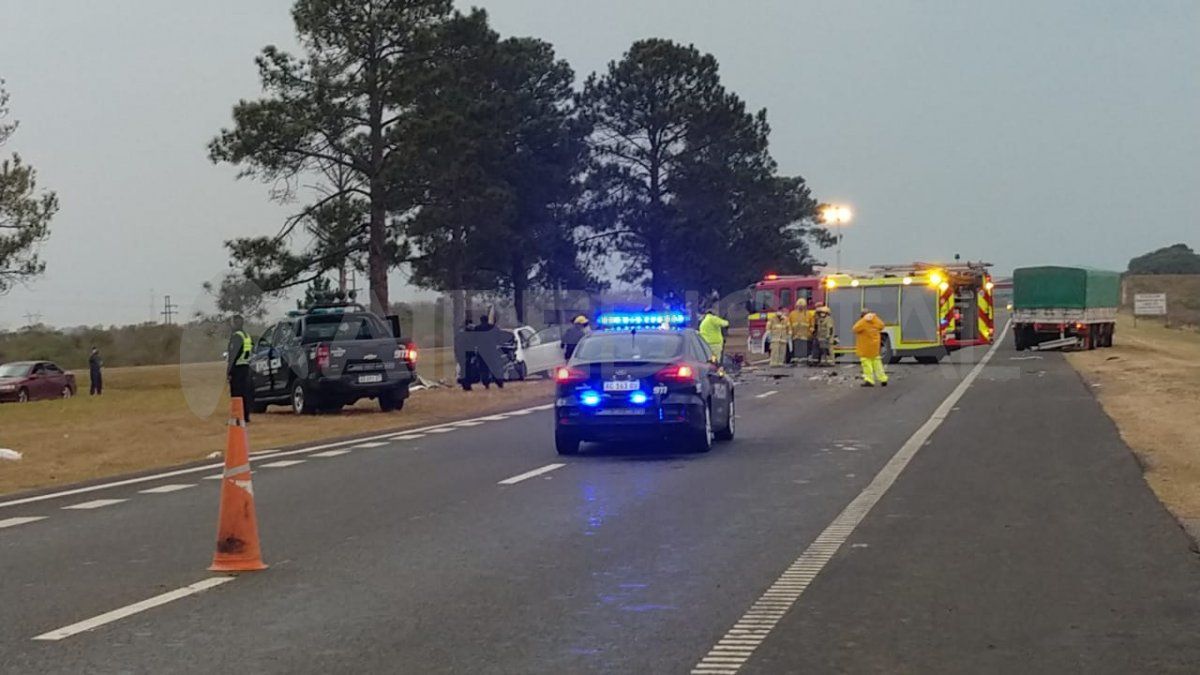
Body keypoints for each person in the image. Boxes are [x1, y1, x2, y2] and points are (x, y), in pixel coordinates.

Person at [226, 315, 255, 422]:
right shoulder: (246, 335)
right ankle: (245, 416)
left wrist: (229, 370)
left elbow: (234, 355)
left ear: (236, 323)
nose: (231, 324)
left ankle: (237, 417)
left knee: (236, 394)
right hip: (246, 367)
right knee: (245, 393)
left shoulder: (236, 336)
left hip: (237, 368)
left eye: (232, 322)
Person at [853, 308, 889, 387]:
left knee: (867, 365)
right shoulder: (875, 320)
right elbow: (882, 326)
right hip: (875, 347)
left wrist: (863, 320)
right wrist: (874, 317)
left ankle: (869, 380)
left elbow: (855, 329)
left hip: (865, 348)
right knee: (877, 364)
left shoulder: (863, 322)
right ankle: (883, 379)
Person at [788, 299, 812, 364]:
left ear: (805, 306)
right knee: (796, 348)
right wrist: (790, 331)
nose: (800, 307)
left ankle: (803, 360)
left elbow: (812, 324)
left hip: (805, 335)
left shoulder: (808, 314)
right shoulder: (792, 314)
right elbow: (789, 323)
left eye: (802, 306)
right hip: (795, 335)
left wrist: (811, 331)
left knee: (804, 348)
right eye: (799, 305)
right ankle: (796, 360)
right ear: (797, 306)